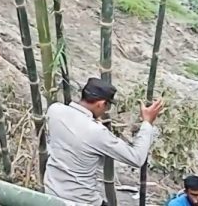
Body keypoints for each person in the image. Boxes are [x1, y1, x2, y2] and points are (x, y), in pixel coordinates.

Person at [44, 77, 165, 205]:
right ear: (101, 104)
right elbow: (136, 158)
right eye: (107, 107)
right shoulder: (96, 132)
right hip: (81, 201)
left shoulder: (55, 110)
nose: (105, 111)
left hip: (51, 193)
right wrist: (147, 122)